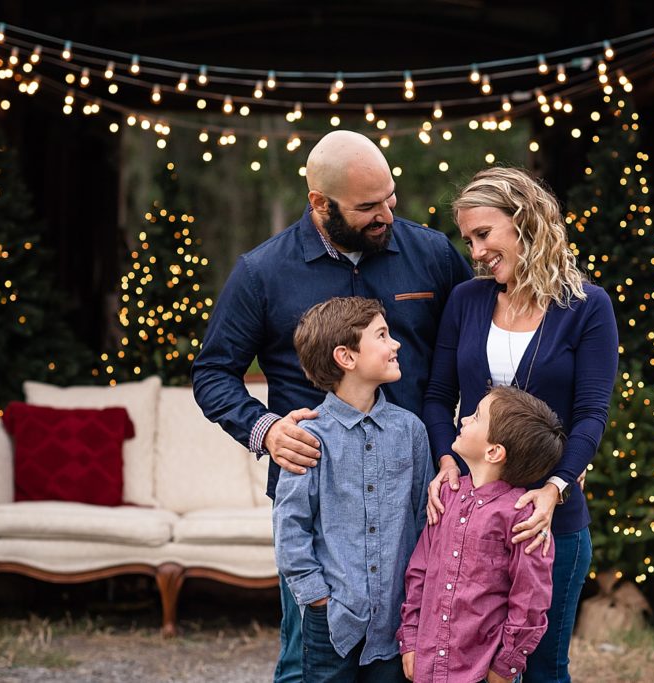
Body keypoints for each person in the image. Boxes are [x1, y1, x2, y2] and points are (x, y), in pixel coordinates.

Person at [192, 130, 472, 683]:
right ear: (320, 203)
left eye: (390, 198)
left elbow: (473, 352)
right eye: (367, 207)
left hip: (416, 498)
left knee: (409, 659)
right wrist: (266, 430)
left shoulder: (433, 254)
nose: (386, 215)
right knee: (313, 665)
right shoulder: (262, 272)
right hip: (320, 503)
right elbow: (212, 373)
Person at [423, 167, 619, 682]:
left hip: (545, 526)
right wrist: (447, 459)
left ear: (525, 221)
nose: (476, 252)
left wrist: (556, 486)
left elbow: (591, 414)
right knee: (463, 664)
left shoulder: (586, 307)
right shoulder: (467, 300)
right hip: (470, 523)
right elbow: (440, 396)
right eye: (468, 240)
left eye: (484, 234)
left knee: (540, 670)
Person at [275, 297, 430, 681]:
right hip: (331, 622)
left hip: (396, 623)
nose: (395, 344)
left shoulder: (411, 431)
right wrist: (317, 598)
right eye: (382, 335)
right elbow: (290, 527)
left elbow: (426, 520)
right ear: (346, 357)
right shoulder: (309, 437)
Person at [399, 386, 563, 683]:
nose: (463, 420)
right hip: (428, 665)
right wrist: (410, 639)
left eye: (475, 416)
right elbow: (419, 571)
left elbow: (530, 600)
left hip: (480, 672)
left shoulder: (523, 517)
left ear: (494, 451)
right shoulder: (445, 497)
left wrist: (506, 665)